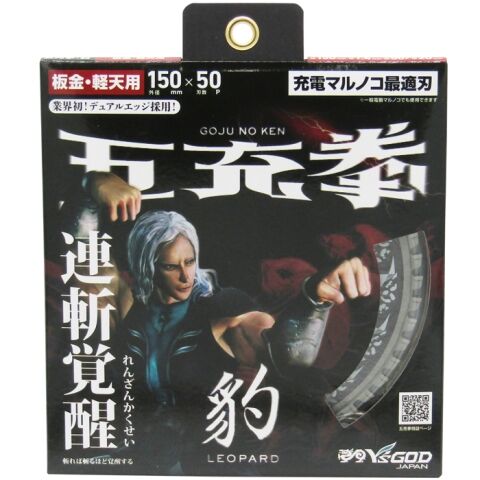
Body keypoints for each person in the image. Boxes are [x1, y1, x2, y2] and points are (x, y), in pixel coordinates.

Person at [64, 171, 372, 473]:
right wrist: (93, 183)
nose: (185, 276)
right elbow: (83, 251)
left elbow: (289, 352)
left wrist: (313, 300)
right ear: (148, 266)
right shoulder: (127, 303)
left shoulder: (222, 316)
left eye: (189, 262)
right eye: (170, 266)